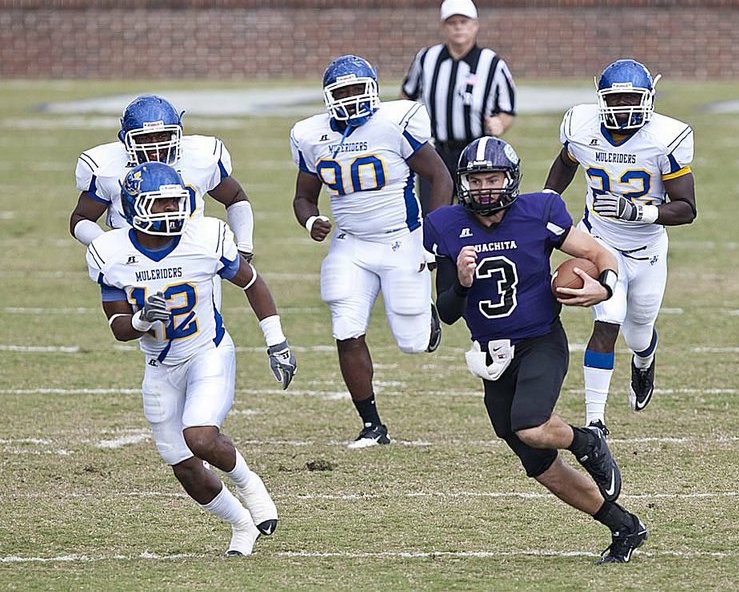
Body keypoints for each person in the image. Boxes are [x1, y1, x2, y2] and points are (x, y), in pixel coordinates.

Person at [424, 136, 648, 564]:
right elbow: (448, 311)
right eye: (477, 179)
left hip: (540, 339)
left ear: (511, 179)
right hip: (492, 356)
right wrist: (463, 282)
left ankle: (588, 442)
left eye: (493, 178)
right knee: (540, 465)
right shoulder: (445, 225)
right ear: (462, 182)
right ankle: (624, 526)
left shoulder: (539, 211)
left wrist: (604, 286)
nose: (485, 188)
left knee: (530, 424)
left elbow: (599, 253)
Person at [85, 162, 297, 556]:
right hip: (159, 365)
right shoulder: (108, 252)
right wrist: (140, 318)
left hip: (207, 351)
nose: (172, 212)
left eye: (175, 203)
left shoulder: (206, 235)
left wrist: (276, 340)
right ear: (134, 207)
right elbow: (117, 326)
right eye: (160, 204)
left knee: (199, 435)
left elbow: (251, 282)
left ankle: (251, 485)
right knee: (182, 464)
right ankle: (240, 525)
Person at [290, 54, 452, 449]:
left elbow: (440, 176)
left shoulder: (393, 123)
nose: (350, 99)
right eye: (341, 92)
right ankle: (372, 425)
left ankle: (426, 315)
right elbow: (303, 197)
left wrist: (434, 234)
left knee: (413, 344)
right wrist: (311, 221)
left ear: (374, 91)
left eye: (357, 90)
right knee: (346, 329)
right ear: (328, 97)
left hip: (402, 239)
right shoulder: (311, 136)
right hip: (350, 244)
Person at [543, 59, 697, 432]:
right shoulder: (581, 126)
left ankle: (644, 361)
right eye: (616, 100)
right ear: (601, 100)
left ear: (649, 100)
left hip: (646, 250)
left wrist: (636, 211)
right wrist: (547, 198)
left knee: (639, 331)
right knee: (607, 321)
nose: (624, 107)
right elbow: (567, 161)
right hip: (598, 243)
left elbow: (687, 209)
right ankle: (595, 420)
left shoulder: (665, 137)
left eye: (632, 99)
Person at [70, 94, 256, 262]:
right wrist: (109, 247)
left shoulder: (201, 157)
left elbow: (235, 197)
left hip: (193, 254)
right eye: (145, 138)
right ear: (125, 139)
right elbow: (81, 218)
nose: (155, 146)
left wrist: (244, 247)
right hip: (134, 260)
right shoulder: (107, 167)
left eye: (162, 136)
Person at [401, 0, 516, 215]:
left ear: (475, 25)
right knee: (433, 216)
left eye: (464, 21)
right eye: (452, 22)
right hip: (435, 150)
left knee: (478, 215)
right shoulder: (426, 58)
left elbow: (507, 110)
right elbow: (406, 97)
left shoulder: (492, 63)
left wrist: (500, 124)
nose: (458, 27)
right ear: (444, 27)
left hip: (477, 153)